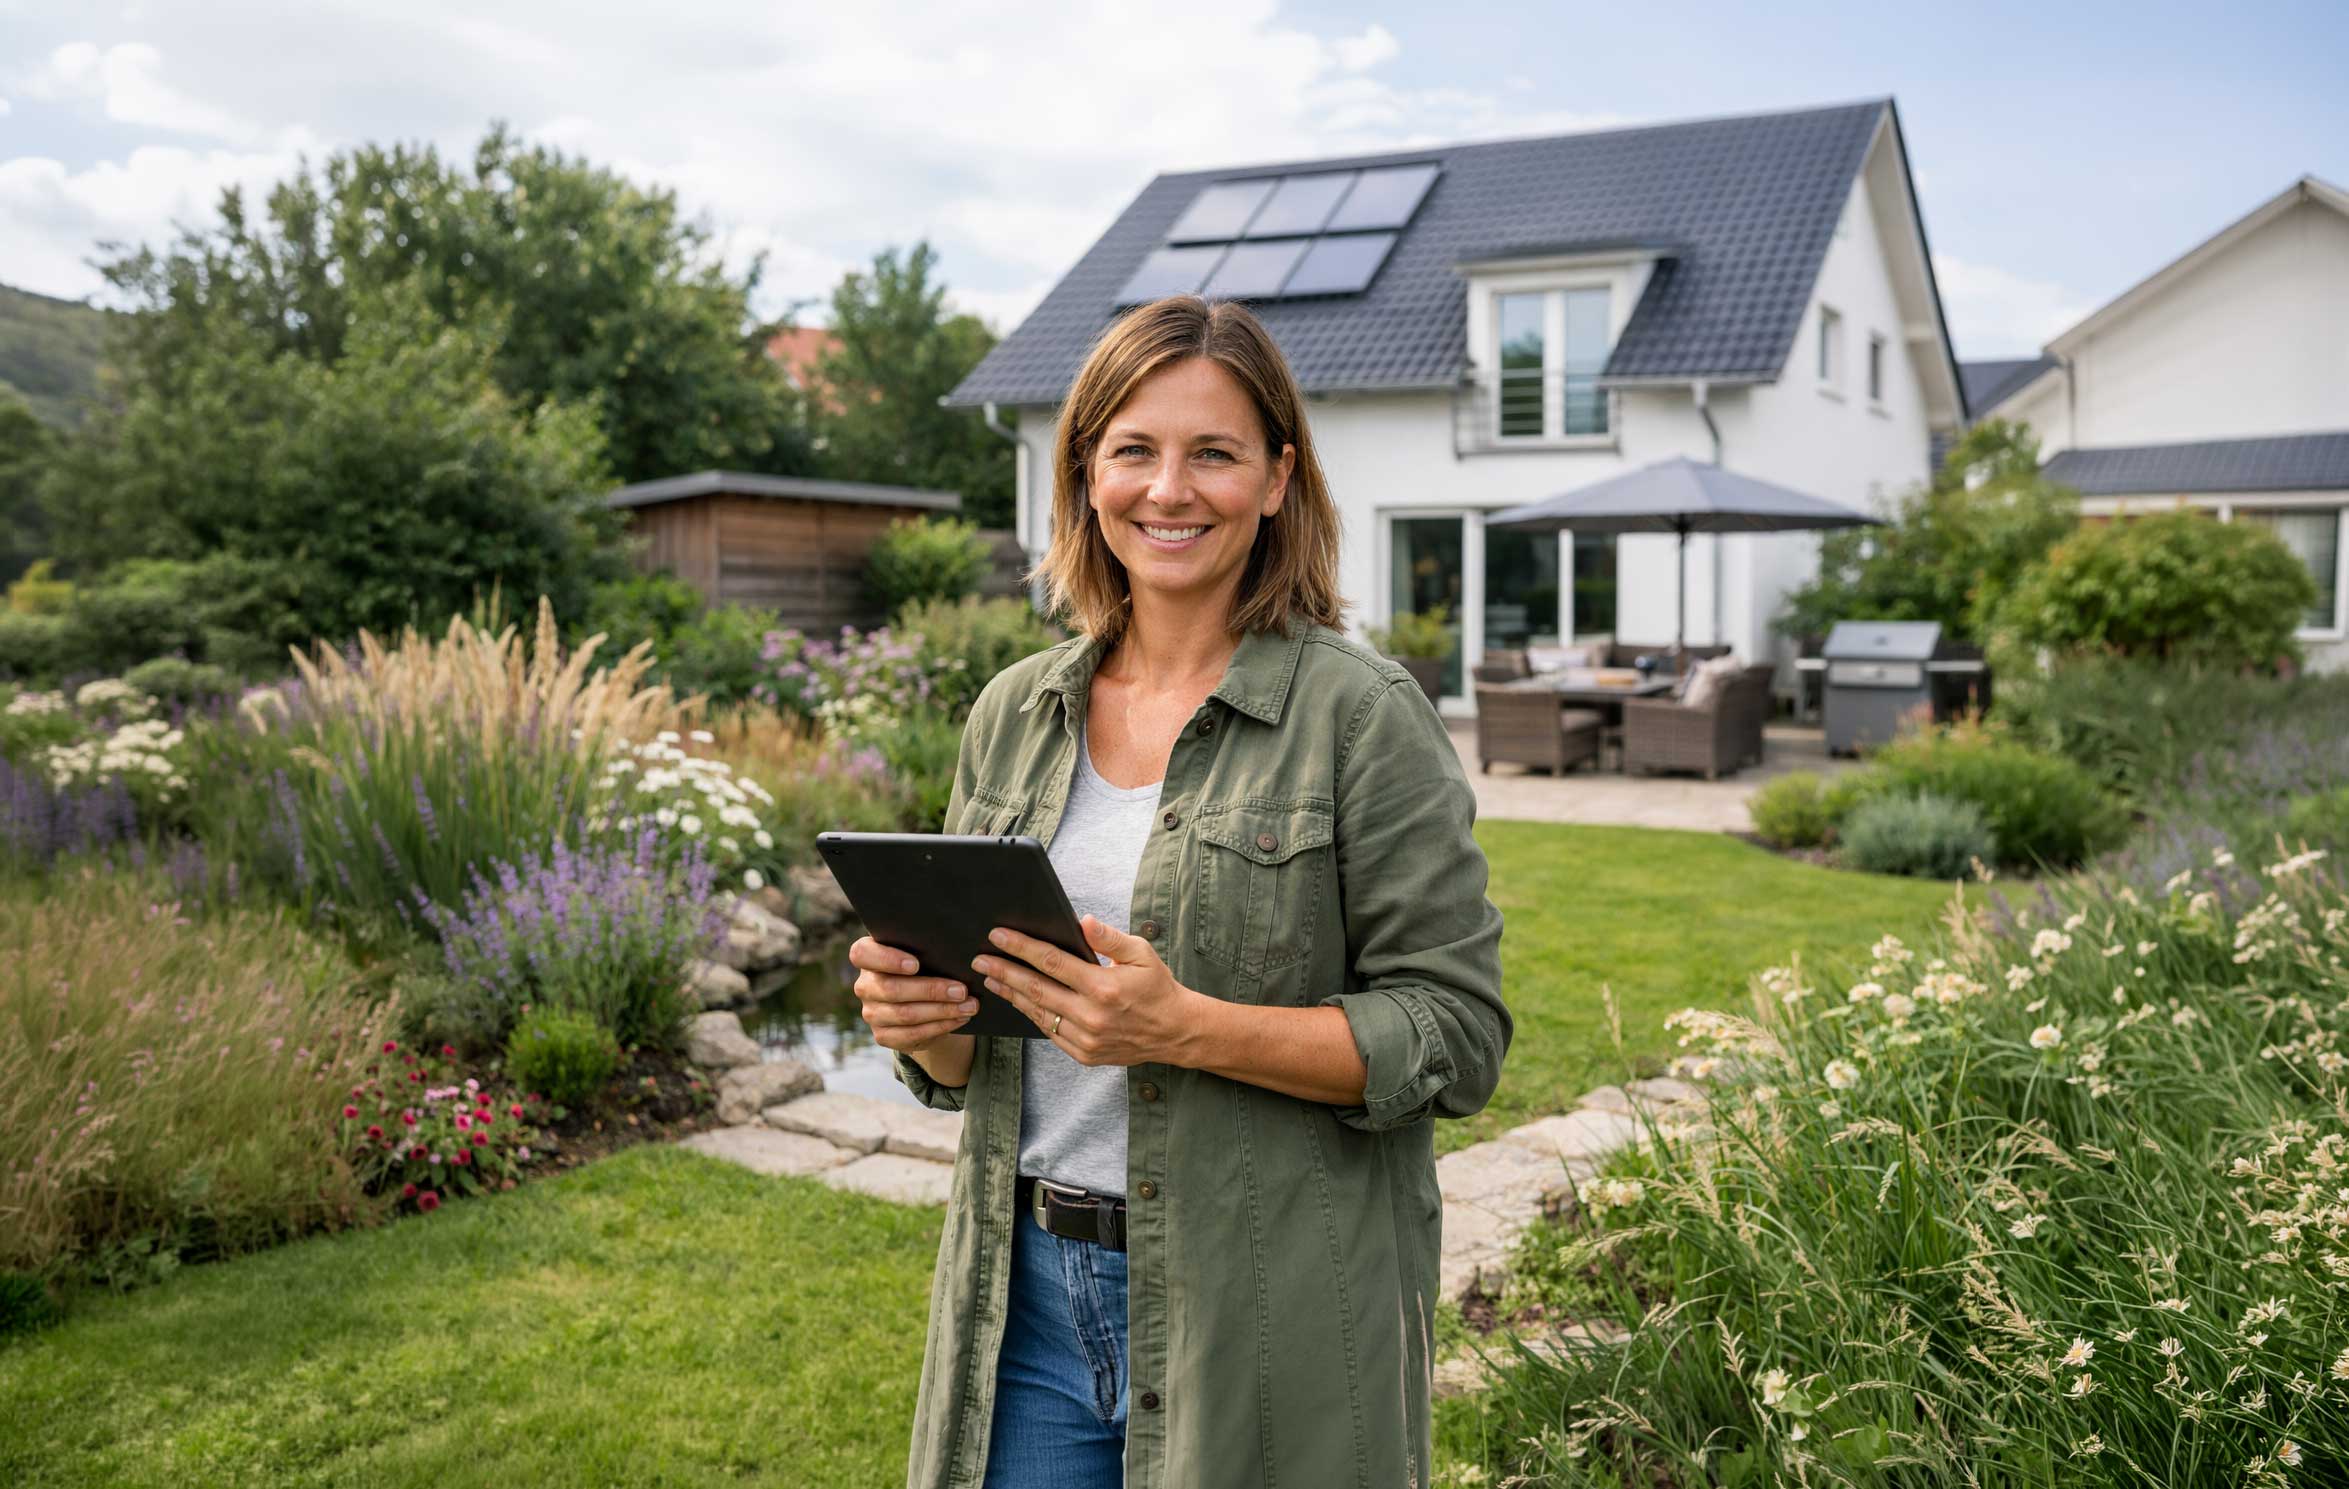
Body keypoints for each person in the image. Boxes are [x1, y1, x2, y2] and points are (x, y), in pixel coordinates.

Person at [850, 294, 1509, 1489]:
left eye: (1213, 452)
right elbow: (970, 1059)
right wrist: (923, 1023)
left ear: (1277, 479)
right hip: (1025, 1304)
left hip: (1263, 1304)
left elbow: (1455, 1035)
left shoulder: (1362, 716)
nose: (1168, 489)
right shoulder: (1014, 712)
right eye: (1134, 450)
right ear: (1086, 473)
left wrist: (1184, 1028)